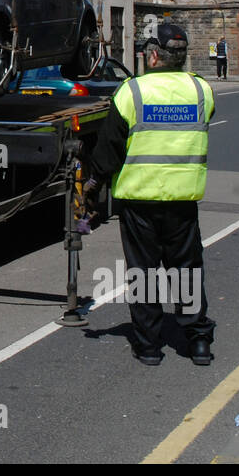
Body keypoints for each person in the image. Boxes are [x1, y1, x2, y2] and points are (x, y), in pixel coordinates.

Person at [86, 23, 216, 366]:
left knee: (144, 272)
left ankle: (149, 346)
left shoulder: (132, 92)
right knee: (186, 269)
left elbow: (110, 146)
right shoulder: (202, 90)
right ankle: (198, 342)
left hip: (140, 201)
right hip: (182, 199)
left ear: (154, 55)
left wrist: (94, 183)